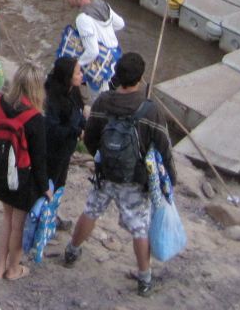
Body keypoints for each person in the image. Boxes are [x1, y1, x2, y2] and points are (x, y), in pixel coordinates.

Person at [63, 52, 177, 298]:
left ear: (117, 74)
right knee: (139, 227)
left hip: (105, 172)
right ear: (140, 78)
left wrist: (101, 157)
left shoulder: (103, 101)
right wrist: (171, 180)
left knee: (91, 211)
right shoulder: (150, 110)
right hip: (134, 178)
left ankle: (72, 251)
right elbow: (164, 146)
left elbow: (91, 136)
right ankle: (145, 279)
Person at [0, 61, 49, 282]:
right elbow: (39, 159)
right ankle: (13, 269)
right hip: (22, 179)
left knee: (6, 218)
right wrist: (45, 189)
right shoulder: (35, 118)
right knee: (18, 225)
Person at [62, 0, 123, 94]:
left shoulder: (82, 19)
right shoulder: (102, 4)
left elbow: (92, 51)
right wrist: (105, 32)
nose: (66, 1)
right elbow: (120, 24)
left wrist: (76, 65)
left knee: (100, 102)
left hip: (102, 68)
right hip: (116, 61)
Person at [43, 55, 87, 194]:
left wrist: (86, 127)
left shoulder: (73, 91)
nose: (81, 75)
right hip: (52, 150)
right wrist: (77, 132)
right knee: (49, 184)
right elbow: (52, 128)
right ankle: (39, 213)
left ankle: (51, 212)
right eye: (78, 73)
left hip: (66, 149)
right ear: (68, 76)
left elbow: (78, 115)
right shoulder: (51, 98)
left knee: (60, 184)